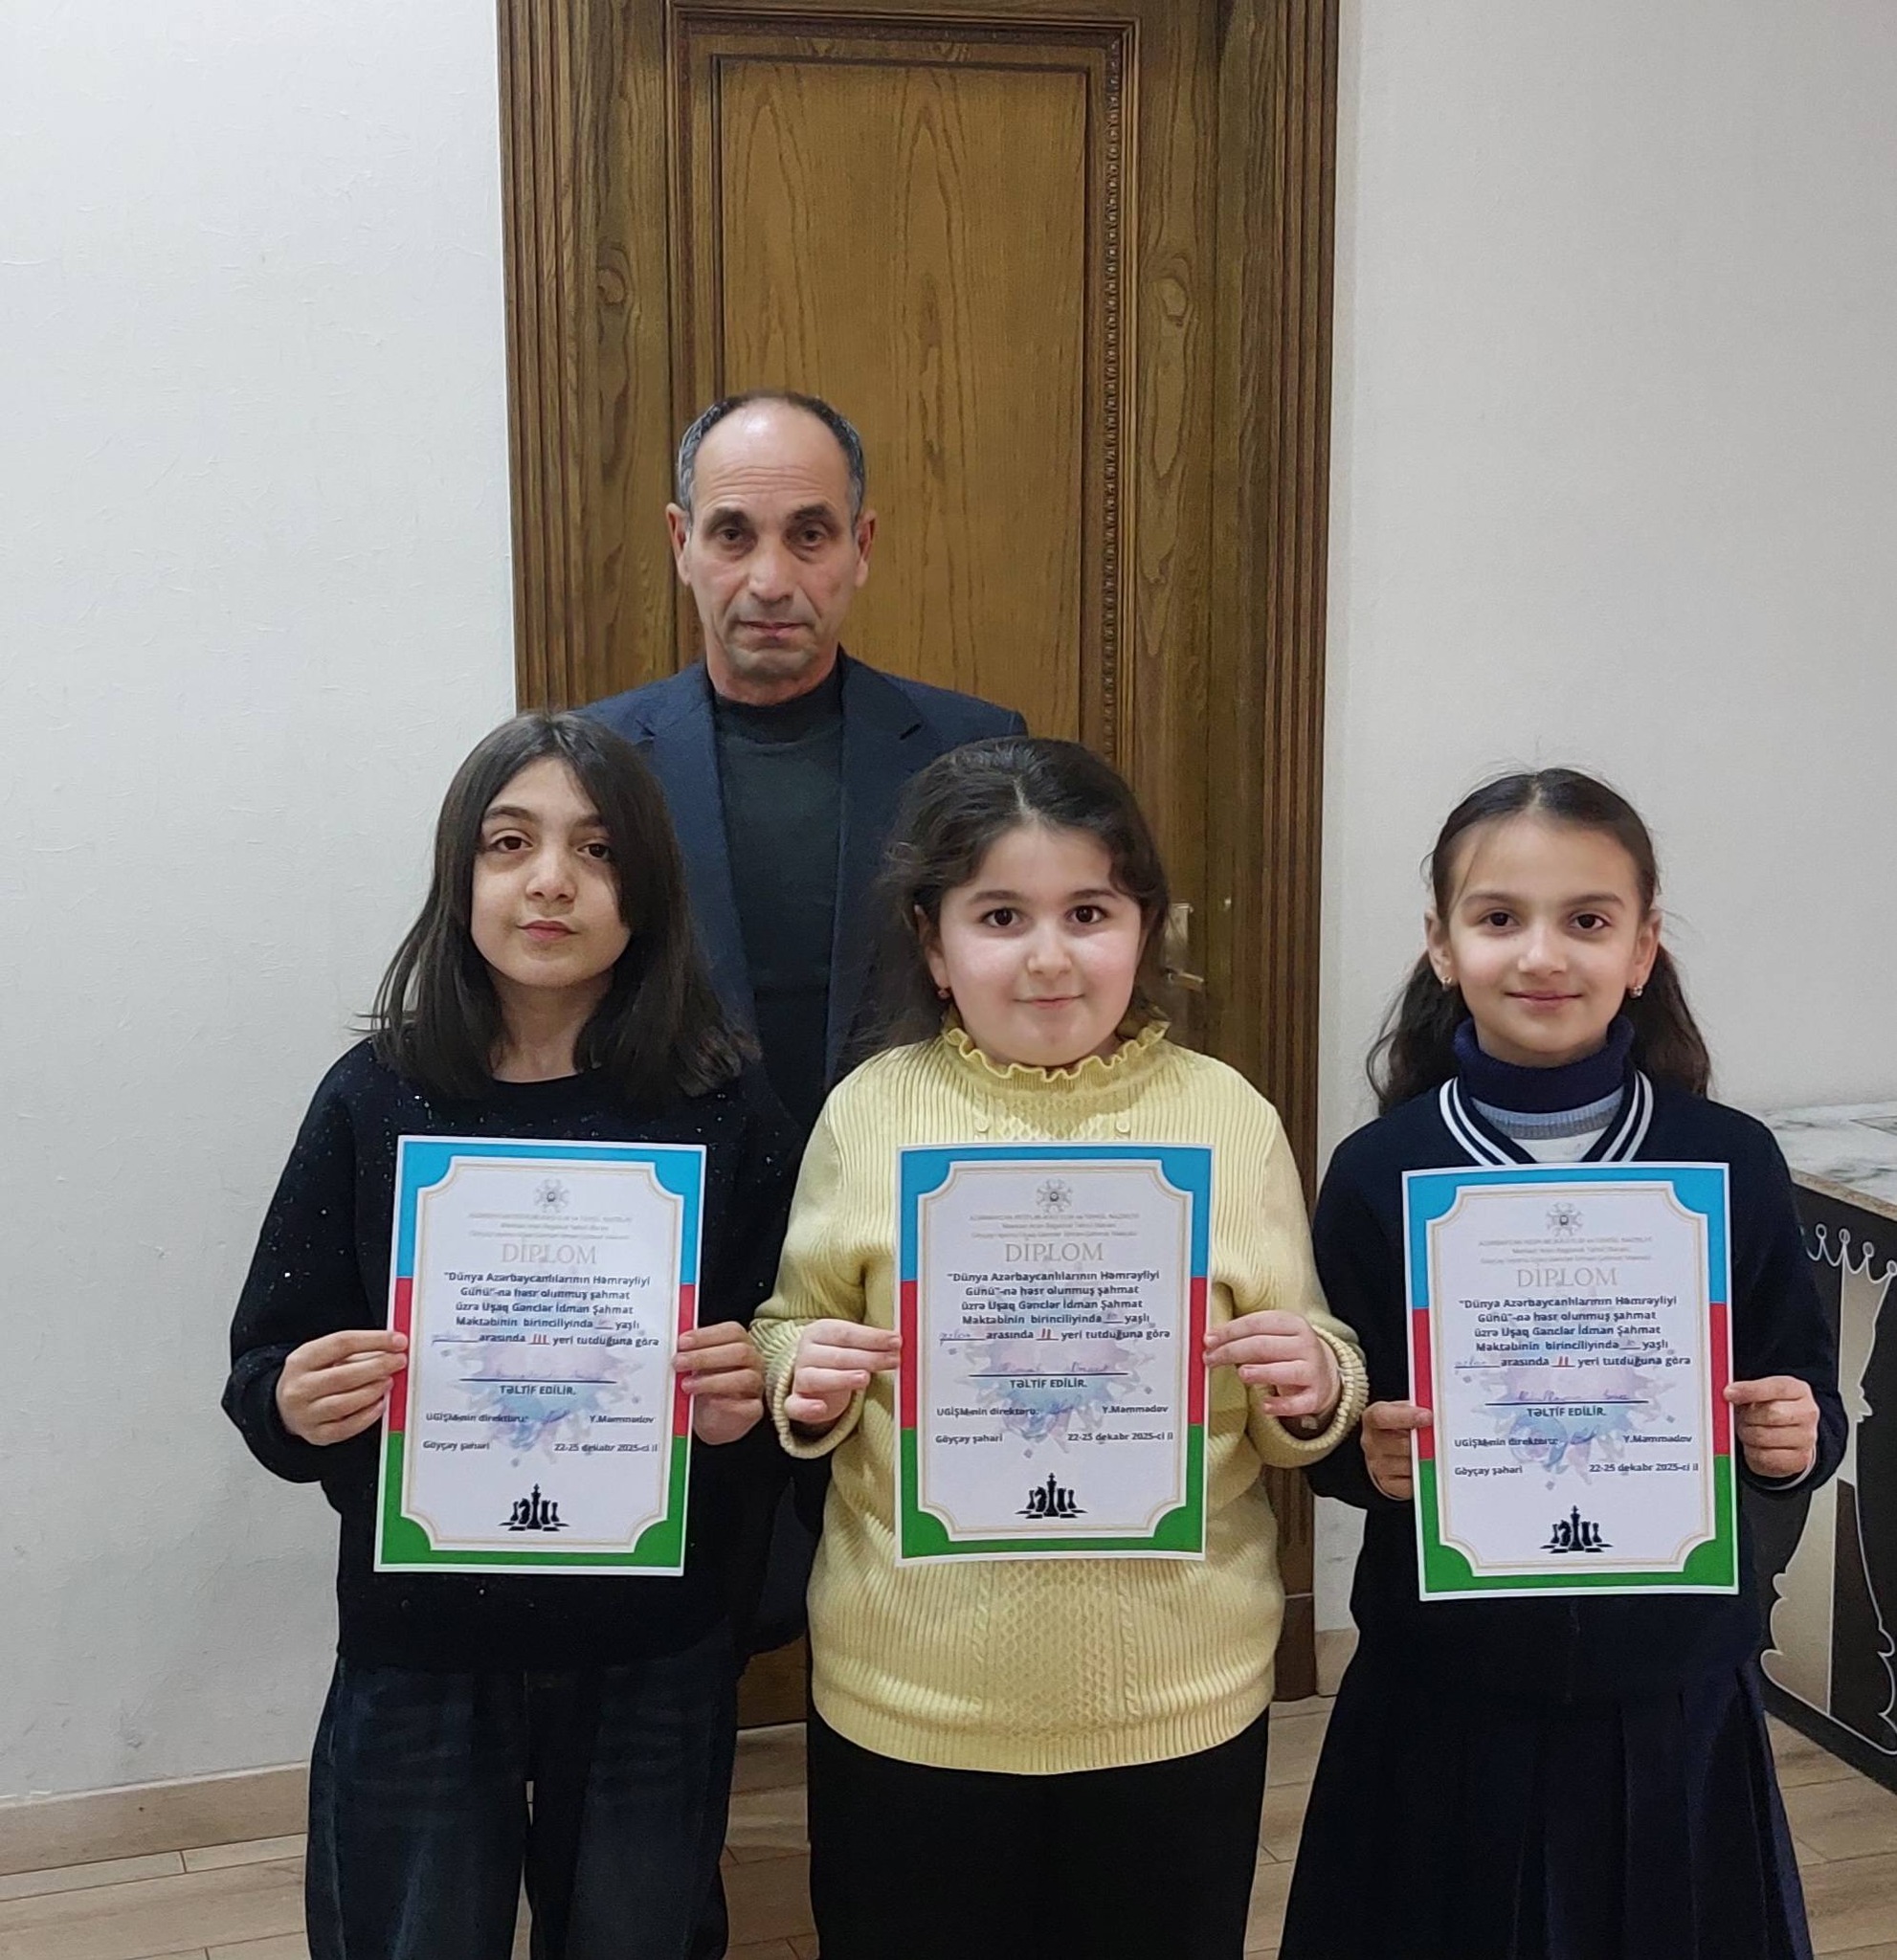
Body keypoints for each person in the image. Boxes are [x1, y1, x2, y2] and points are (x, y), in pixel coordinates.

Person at [747, 736, 1370, 1960]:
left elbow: (1311, 1355)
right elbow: (789, 1321)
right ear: (932, 943)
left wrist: (1316, 1382)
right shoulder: (868, 1111)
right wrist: (797, 1374)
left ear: (1145, 926)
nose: (1047, 955)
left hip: (1175, 1689)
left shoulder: (1226, 1114)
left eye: (1087, 911)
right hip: (910, 1691)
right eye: (999, 915)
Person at [222, 713, 796, 1960]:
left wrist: (750, 1395)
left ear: (648, 886)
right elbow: (266, 1365)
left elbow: (782, 1361)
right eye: (509, 842)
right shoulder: (374, 1098)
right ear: (460, 875)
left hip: (649, 1640)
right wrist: (292, 1401)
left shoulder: (720, 1104)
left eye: (597, 848)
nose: (550, 880)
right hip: (423, 1639)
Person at [1279, 768, 1846, 1960]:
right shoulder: (1378, 1169)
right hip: (1443, 1681)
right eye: (1498, 917)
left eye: (1586, 919)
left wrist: (1790, 1438)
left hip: (1669, 1679)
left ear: (1641, 948)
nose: (1541, 954)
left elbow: (1800, 1387)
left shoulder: (1728, 1159)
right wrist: (1356, 1452)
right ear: (1440, 944)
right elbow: (1335, 1413)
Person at [587, 390, 1026, 1136]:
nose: (770, 581)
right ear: (681, 543)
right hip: (677, 1181)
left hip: (900, 1175)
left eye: (810, 535)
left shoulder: (973, 751)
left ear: (862, 546)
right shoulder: (595, 761)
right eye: (733, 535)